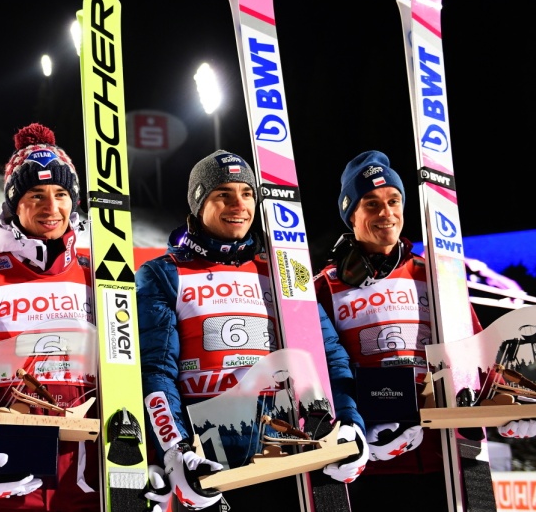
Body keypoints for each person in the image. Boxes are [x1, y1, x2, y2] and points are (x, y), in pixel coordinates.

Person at [314, 150, 536, 512]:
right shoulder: (325, 287)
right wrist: (352, 425)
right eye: (371, 204)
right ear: (350, 215)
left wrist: (515, 406)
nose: (386, 213)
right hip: (370, 470)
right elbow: (317, 371)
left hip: (455, 458)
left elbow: (480, 356)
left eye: (393, 200)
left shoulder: (436, 275)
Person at [137, 150, 368, 511]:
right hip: (211, 456)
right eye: (222, 194)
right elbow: (155, 372)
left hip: (289, 446)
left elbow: (328, 354)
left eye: (246, 193)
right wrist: (176, 449)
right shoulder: (162, 273)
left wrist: (351, 422)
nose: (238, 205)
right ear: (199, 204)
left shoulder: (286, 269)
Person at [0, 122, 98, 511]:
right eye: (36, 195)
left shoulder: (100, 278)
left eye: (62, 194)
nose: (52, 207)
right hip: (3, 479)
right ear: (14, 204)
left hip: (86, 482)